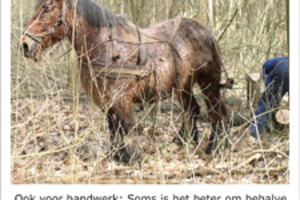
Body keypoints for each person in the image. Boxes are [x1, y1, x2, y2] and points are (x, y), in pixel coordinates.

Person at [250, 57, 289, 138]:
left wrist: (269, 92)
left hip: (284, 70)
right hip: (286, 70)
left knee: (266, 101)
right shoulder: (280, 60)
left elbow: (268, 82)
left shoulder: (266, 66)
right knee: (275, 99)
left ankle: (255, 132)